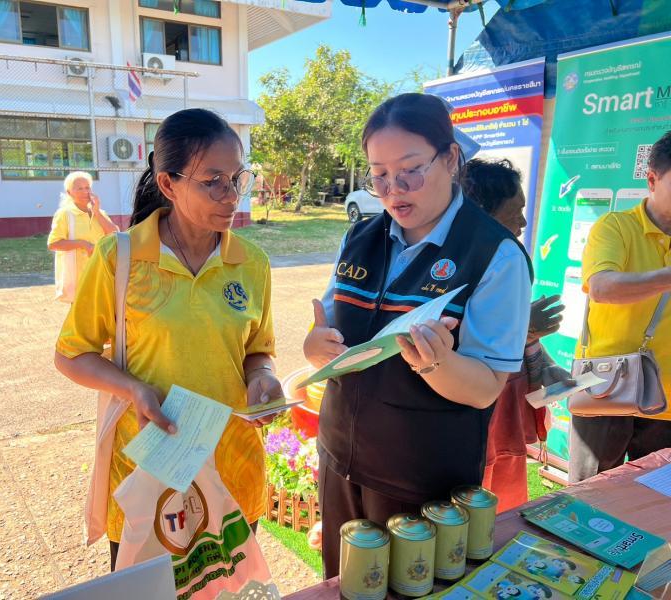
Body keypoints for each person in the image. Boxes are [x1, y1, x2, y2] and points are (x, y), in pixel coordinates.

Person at [303, 93, 533, 578]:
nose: (393, 189)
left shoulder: (495, 255)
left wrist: (437, 363)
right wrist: (313, 344)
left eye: (410, 169)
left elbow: (487, 386)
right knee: (343, 582)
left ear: (450, 159)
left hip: (421, 480)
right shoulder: (361, 237)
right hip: (341, 457)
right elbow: (327, 325)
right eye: (378, 174)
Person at [53, 108, 283, 569]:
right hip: (150, 470)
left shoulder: (251, 263)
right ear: (168, 185)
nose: (231, 195)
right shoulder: (120, 258)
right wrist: (133, 389)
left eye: (238, 178)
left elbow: (259, 349)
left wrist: (263, 378)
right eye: (212, 180)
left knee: (224, 587)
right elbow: (71, 354)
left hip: (231, 467)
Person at [461, 158, 571, 512]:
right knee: (469, 489)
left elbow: (512, 325)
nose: (523, 222)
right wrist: (524, 328)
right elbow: (456, 336)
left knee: (503, 487)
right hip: (470, 398)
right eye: (516, 210)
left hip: (506, 398)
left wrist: (536, 348)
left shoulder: (513, 254)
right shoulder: (452, 261)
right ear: (482, 210)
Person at [569, 130, 671, 483]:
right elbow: (602, 287)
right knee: (588, 498)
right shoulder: (615, 226)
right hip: (605, 386)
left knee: (652, 500)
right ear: (652, 180)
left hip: (667, 401)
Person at [47, 171, 119, 302]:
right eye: (79, 188)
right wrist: (83, 244)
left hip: (100, 273)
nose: (85, 191)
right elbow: (53, 243)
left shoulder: (99, 213)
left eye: (87, 188)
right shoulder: (65, 214)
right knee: (82, 317)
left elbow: (115, 235)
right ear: (69, 193)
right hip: (78, 278)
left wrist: (96, 212)